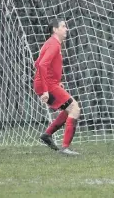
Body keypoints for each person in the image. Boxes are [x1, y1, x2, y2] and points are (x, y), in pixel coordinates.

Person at [35, 19, 81, 155]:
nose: (66, 29)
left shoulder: (51, 43)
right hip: (47, 85)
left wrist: (56, 80)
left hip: (50, 83)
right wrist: (45, 90)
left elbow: (37, 63)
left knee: (69, 109)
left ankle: (47, 135)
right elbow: (42, 65)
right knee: (74, 108)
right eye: (63, 26)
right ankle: (65, 148)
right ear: (55, 29)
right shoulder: (54, 44)